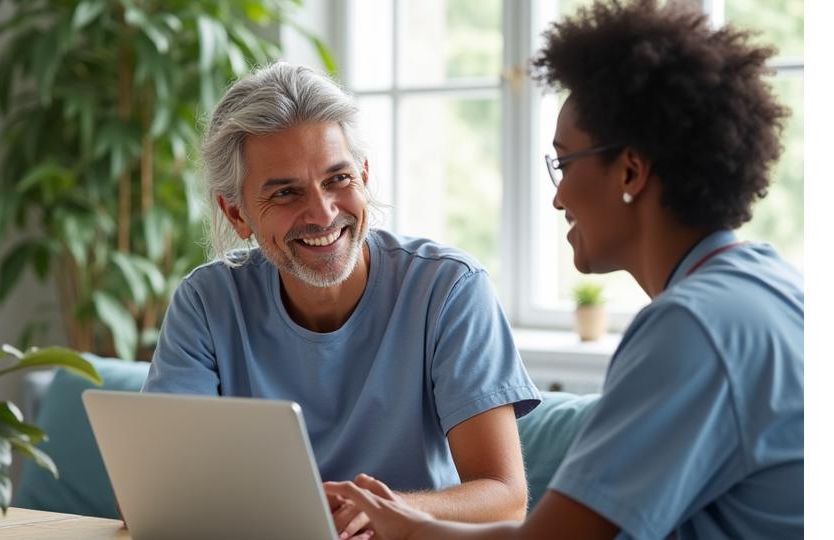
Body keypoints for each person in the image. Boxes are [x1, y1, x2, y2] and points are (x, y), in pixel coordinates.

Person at [325, 1, 804, 539]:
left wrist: (409, 529)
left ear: (630, 170)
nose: (558, 198)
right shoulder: (772, 287)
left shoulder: (695, 328)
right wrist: (411, 520)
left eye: (564, 161)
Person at [142, 62, 541, 538]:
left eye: (338, 179)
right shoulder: (206, 303)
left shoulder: (449, 289)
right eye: (286, 192)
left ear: (364, 177)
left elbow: (504, 497)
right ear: (237, 213)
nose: (323, 213)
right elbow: (160, 496)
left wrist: (386, 511)